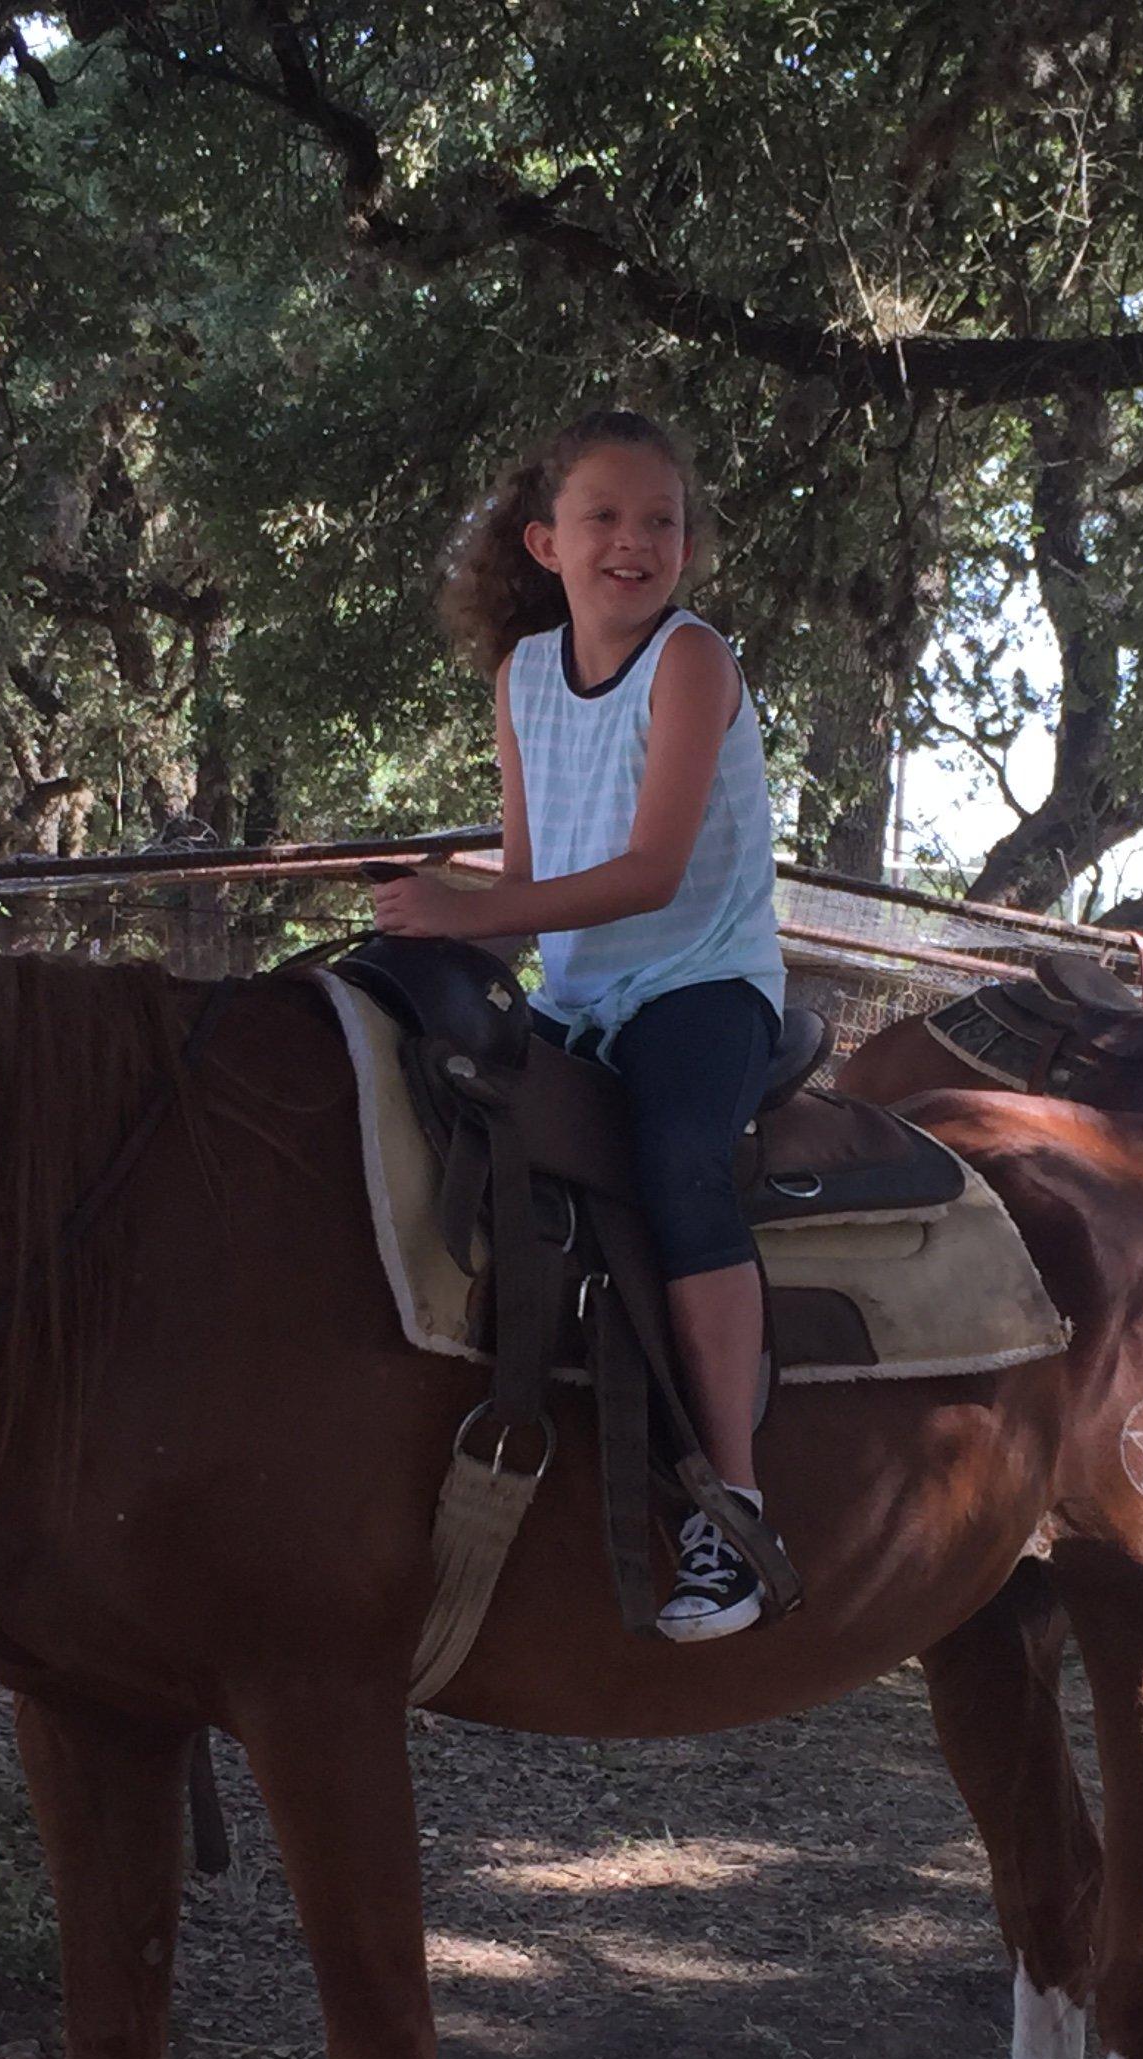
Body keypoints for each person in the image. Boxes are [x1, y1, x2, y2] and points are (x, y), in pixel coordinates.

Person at [374, 408, 790, 1639]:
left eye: (661, 520)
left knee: (675, 1164)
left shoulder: (692, 661)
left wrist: (465, 915)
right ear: (544, 543)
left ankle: (737, 1509)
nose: (635, 541)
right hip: (581, 1001)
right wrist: (422, 929)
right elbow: (525, 879)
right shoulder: (524, 678)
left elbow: (650, 872)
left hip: (702, 988)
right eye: (603, 517)